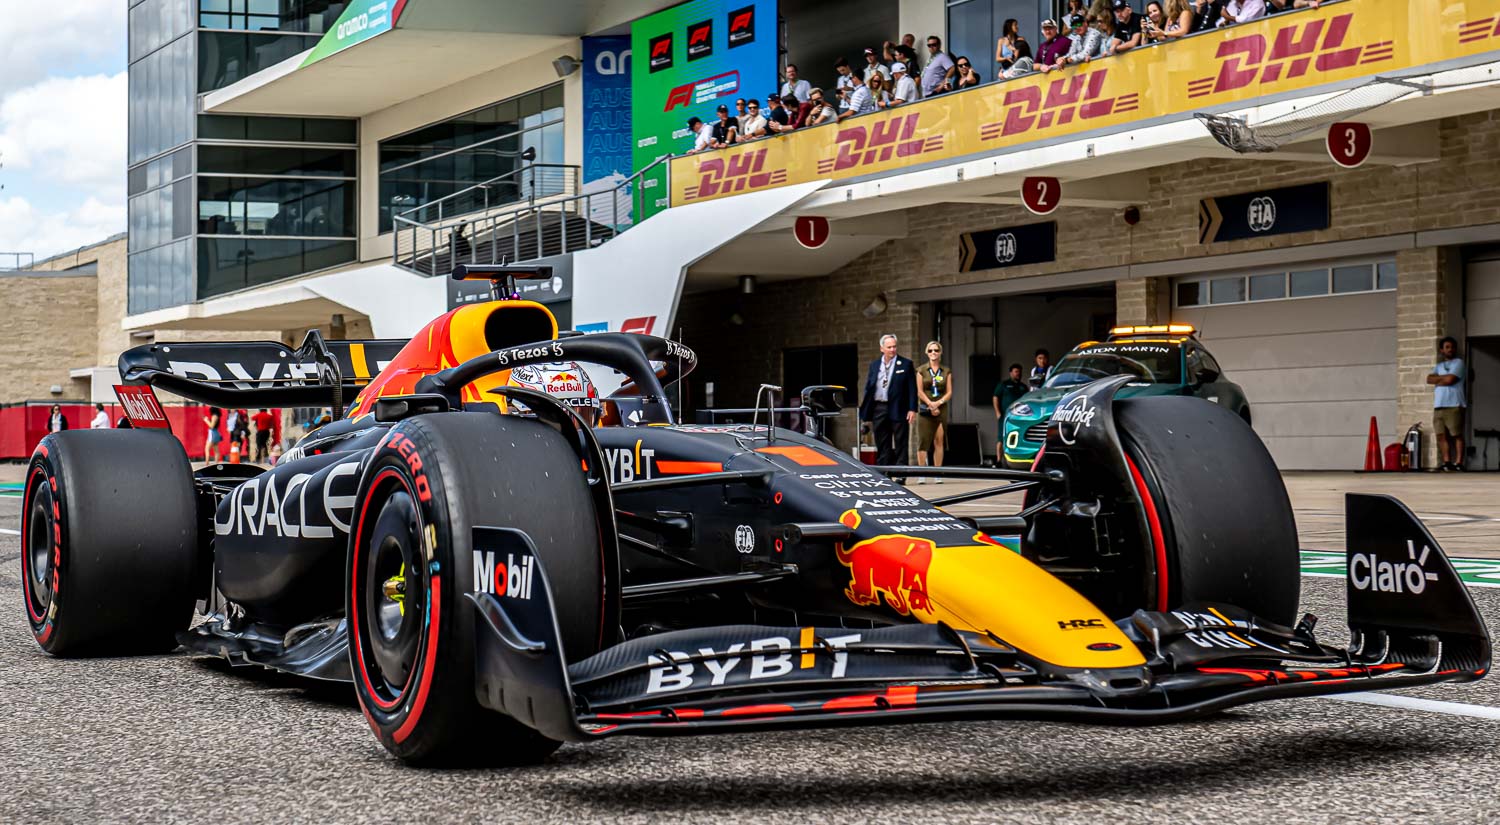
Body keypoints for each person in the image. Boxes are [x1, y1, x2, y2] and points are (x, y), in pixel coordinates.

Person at [859, 334, 918, 470]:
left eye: (894, 346)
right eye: (889, 347)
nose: (892, 349)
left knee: (900, 441)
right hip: (879, 407)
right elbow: (869, 386)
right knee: (882, 441)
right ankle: (884, 471)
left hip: (899, 407)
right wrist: (867, 409)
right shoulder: (875, 365)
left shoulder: (905, 364)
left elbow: (912, 389)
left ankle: (901, 472)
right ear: (882, 348)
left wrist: (912, 409)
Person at [915, 341, 953, 483]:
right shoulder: (921, 370)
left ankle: (937, 472)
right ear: (927, 352)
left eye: (936, 350)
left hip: (941, 407)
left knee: (939, 440)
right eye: (930, 351)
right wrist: (930, 404)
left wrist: (938, 403)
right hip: (926, 407)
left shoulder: (946, 371)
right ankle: (921, 473)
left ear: (940, 352)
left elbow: (949, 392)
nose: (933, 353)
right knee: (923, 441)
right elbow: (919, 391)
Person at [1429, 336, 1468, 471]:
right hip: (1439, 405)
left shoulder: (1459, 363)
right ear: (1442, 350)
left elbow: (1450, 380)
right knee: (1441, 435)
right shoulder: (1438, 366)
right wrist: (1442, 379)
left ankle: (1458, 463)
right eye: (1447, 347)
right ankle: (1447, 462)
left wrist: (1439, 380)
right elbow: (1429, 379)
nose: (1450, 349)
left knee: (1456, 434)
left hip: (1454, 404)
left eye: (1452, 347)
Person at [993, 363, 1029, 464]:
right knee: (1001, 437)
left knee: (1016, 437)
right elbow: (995, 397)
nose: (1018, 374)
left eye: (1020, 372)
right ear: (1011, 373)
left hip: (1019, 418)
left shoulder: (1023, 387)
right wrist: (998, 412)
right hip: (1005, 416)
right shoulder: (1003, 384)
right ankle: (998, 461)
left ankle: (1014, 461)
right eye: (1016, 372)